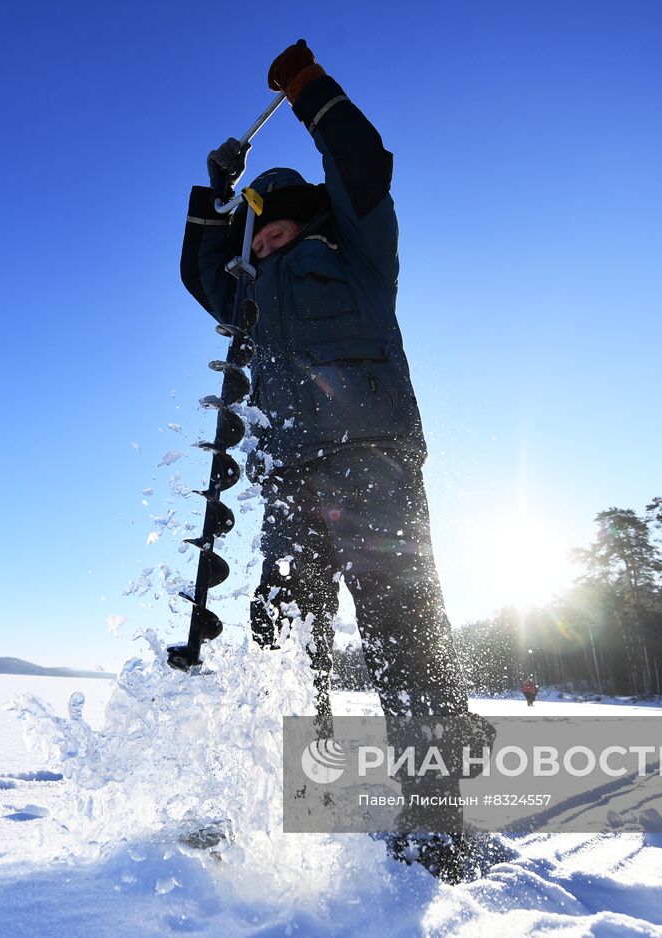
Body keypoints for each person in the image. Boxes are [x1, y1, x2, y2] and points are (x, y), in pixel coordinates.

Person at [180, 41, 498, 882]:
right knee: (282, 637)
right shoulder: (252, 291)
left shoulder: (356, 254)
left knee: (403, 631)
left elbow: (361, 161)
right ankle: (303, 802)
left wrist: (310, 90)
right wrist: (210, 198)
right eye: (256, 220)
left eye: (274, 212)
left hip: (373, 462)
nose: (265, 227)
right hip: (291, 479)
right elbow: (198, 271)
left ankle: (439, 823)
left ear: (310, 212)